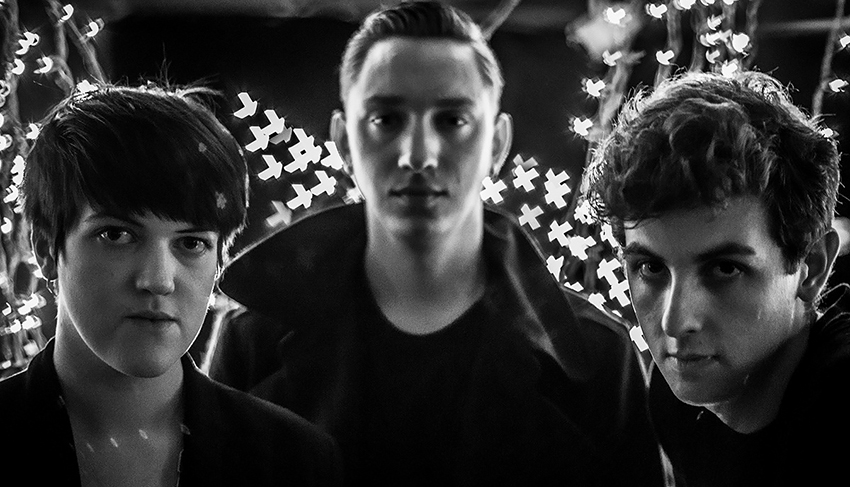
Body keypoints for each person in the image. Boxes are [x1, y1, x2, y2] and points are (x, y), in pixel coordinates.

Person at [209, 1, 664, 485]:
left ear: (496, 143)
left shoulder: (596, 358)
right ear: (343, 141)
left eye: (452, 120)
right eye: (386, 119)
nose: (418, 154)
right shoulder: (252, 344)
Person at [0, 83, 342, 486]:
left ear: (219, 259)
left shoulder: (293, 460)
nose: (158, 280)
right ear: (45, 248)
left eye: (191, 243)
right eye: (117, 235)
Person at [582, 70, 849, 486]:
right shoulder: (674, 399)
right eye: (651, 268)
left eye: (724, 269)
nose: (675, 322)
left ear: (811, 266)